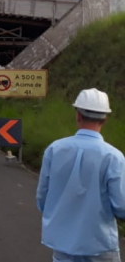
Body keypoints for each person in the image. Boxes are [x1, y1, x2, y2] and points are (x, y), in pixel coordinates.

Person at [36, 88, 125, 261]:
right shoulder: (113, 157)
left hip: (63, 245)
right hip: (101, 245)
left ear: (78, 115)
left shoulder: (54, 150)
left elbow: (42, 198)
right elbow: (121, 206)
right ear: (105, 119)